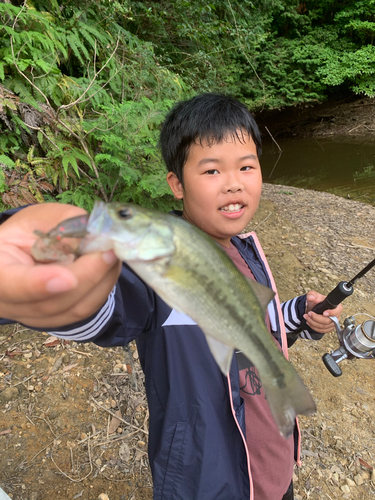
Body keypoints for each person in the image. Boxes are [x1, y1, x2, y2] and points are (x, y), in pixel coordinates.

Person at [0, 94, 342, 500]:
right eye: (212, 170)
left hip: (272, 470)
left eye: (247, 166)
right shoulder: (151, 271)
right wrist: (61, 293)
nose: (234, 181)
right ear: (176, 185)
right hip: (207, 482)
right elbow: (109, 306)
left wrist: (299, 313)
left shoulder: (247, 248)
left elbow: (257, 322)